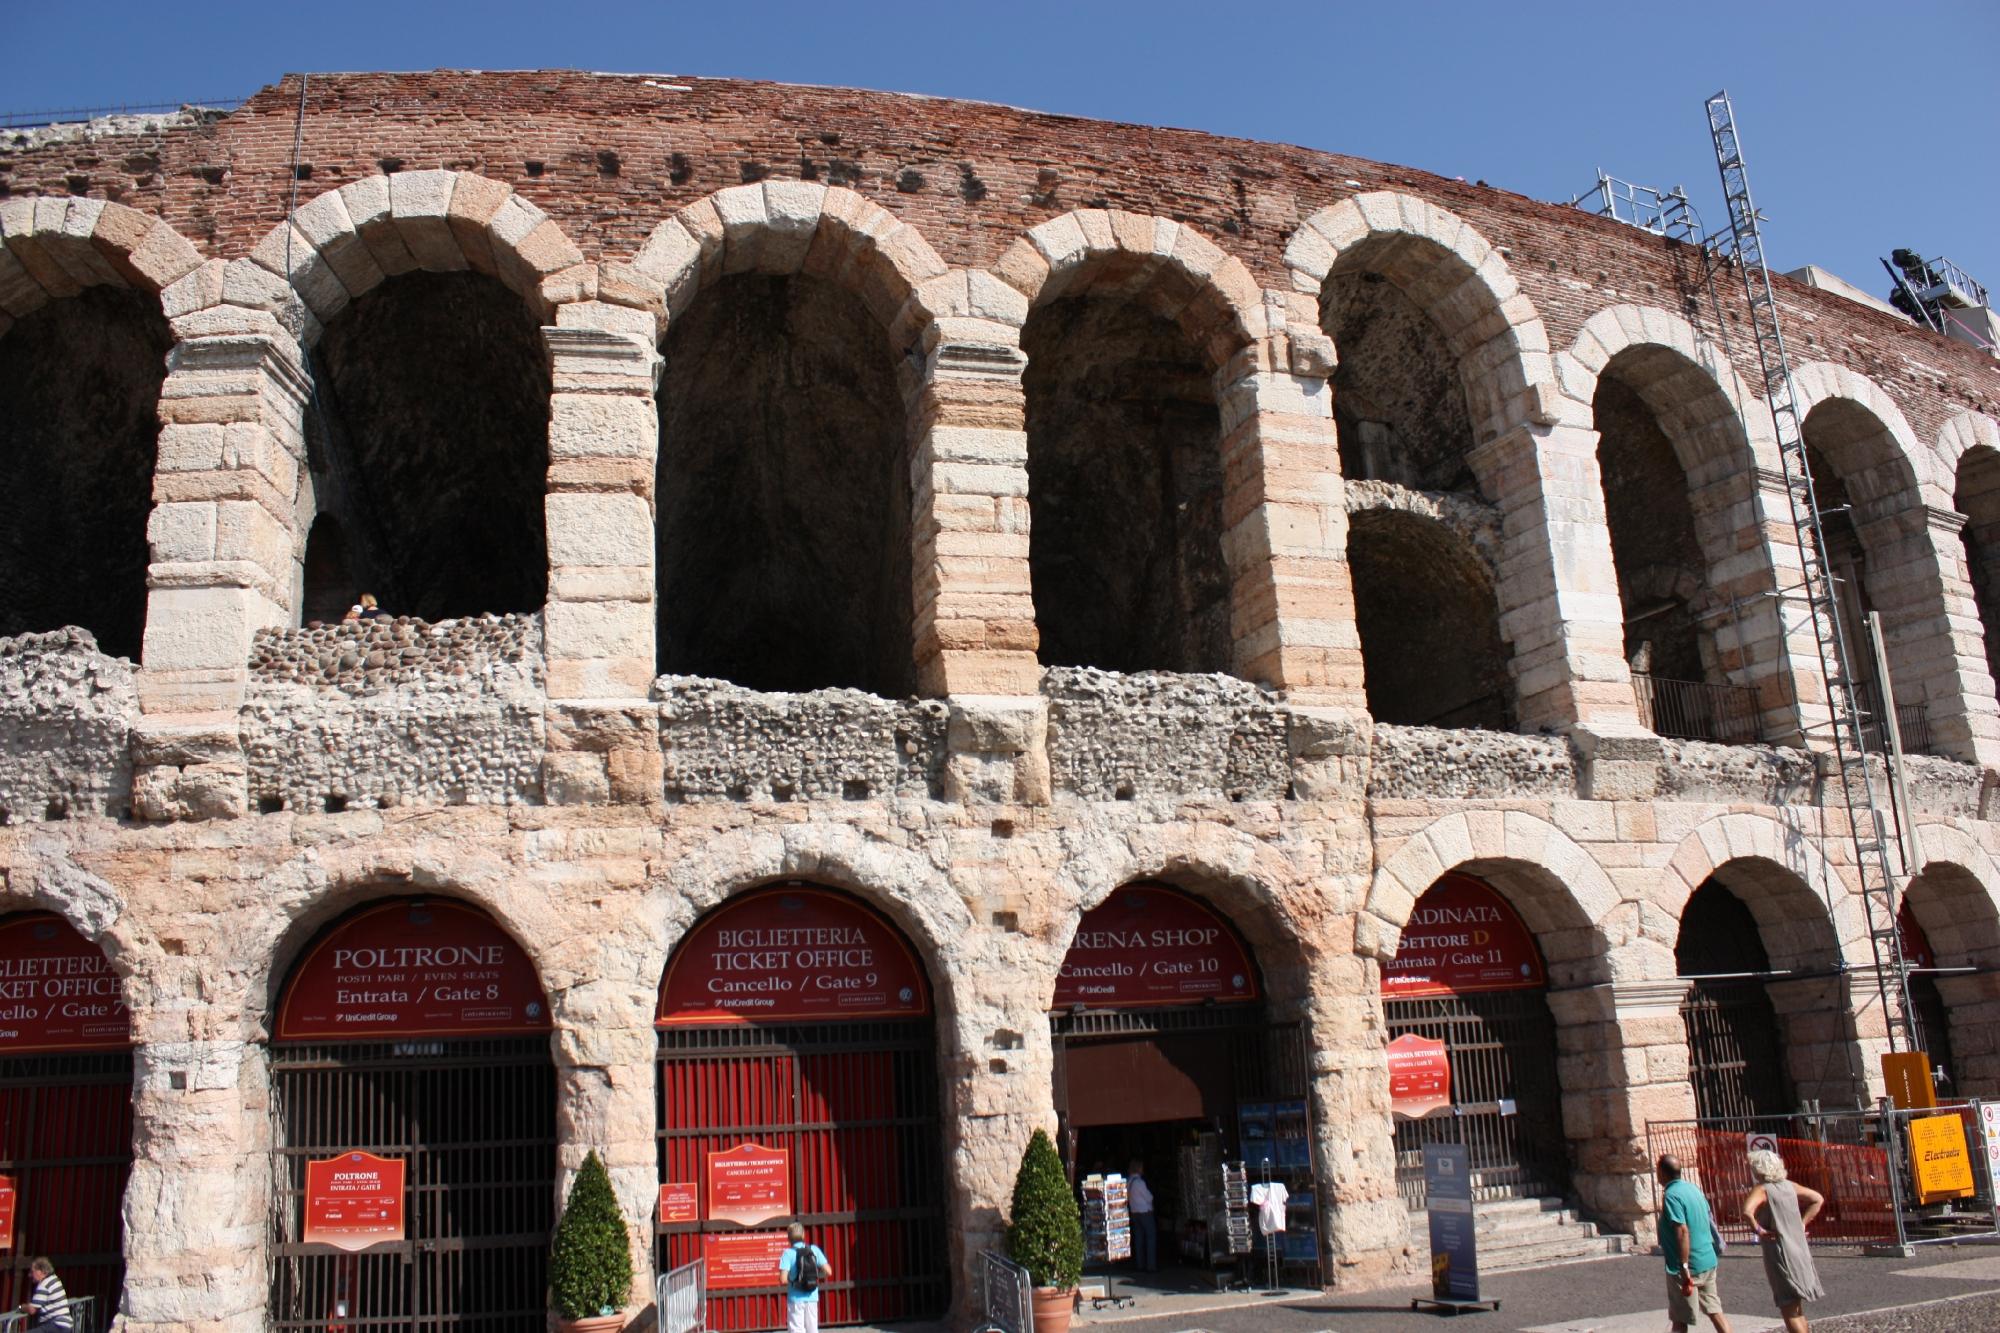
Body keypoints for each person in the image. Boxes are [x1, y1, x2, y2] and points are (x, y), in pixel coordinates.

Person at [1743, 1149, 1824, 1333]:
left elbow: (1747, 1211)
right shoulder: (1789, 1185)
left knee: (1788, 1306)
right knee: (1797, 1308)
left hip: (1779, 1251)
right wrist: (1802, 1224)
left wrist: (1759, 1230)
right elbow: (1817, 1199)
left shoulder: (1763, 1189)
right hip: (1798, 1249)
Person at [1656, 1155, 1733, 1333]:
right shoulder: (1693, 1189)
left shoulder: (1671, 1196)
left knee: (1680, 1320)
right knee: (1715, 1311)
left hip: (1686, 1267)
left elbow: (1682, 1230)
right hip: (1707, 1260)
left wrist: (1683, 1267)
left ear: (1661, 1173)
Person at [778, 1221, 831, 1333]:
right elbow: (828, 1271)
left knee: (796, 1329)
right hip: (812, 1296)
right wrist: (815, 1276)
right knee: (812, 1329)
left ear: (789, 1238)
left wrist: (794, 1280)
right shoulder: (814, 1250)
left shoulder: (787, 1253)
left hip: (796, 1298)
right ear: (803, 1235)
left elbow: (782, 1279)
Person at [20, 1256, 72, 1331]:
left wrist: (21, 1307)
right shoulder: (55, 1279)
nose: (29, 1275)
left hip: (56, 1325)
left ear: (40, 1271)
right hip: (65, 1325)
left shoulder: (43, 1285)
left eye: (32, 1271)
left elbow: (32, 1310)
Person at [1126, 1160, 1157, 1274]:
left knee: (1138, 1238)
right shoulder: (1140, 1183)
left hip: (1134, 1212)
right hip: (1144, 1212)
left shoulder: (1128, 1181)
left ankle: (1140, 1264)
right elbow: (1148, 1197)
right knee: (1150, 1237)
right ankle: (1151, 1265)